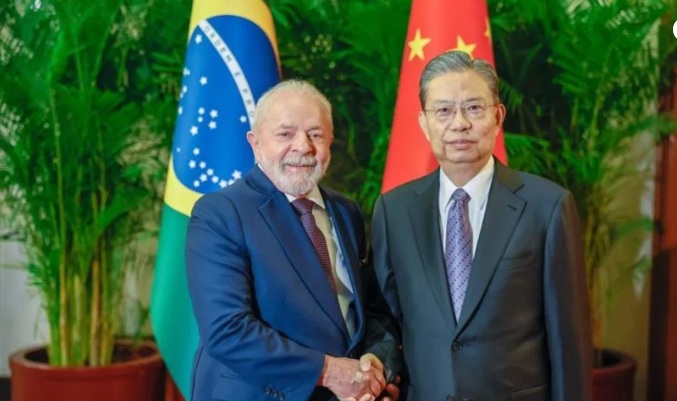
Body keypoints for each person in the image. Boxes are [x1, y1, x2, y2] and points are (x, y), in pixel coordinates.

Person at [370, 50, 592, 400]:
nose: (459, 124)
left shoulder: (547, 207)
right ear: (424, 123)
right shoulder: (394, 211)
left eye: (473, 108)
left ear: (498, 116)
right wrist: (380, 372)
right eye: (443, 111)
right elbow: (384, 317)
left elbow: (569, 343)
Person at [186, 79, 401, 401]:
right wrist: (330, 372)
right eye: (285, 134)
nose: (303, 147)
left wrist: (375, 364)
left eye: (316, 135)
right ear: (255, 142)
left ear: (330, 141)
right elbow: (227, 330)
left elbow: (368, 310)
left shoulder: (346, 211)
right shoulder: (221, 213)